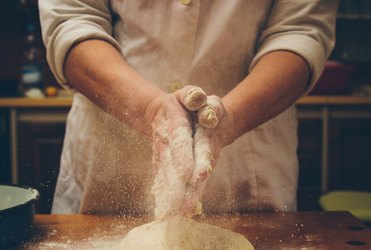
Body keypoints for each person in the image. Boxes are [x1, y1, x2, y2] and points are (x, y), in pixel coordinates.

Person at [39, 0, 338, 215]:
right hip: (108, 172)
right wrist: (150, 109)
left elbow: (301, 30)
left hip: (249, 172)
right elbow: (72, 21)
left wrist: (232, 117)